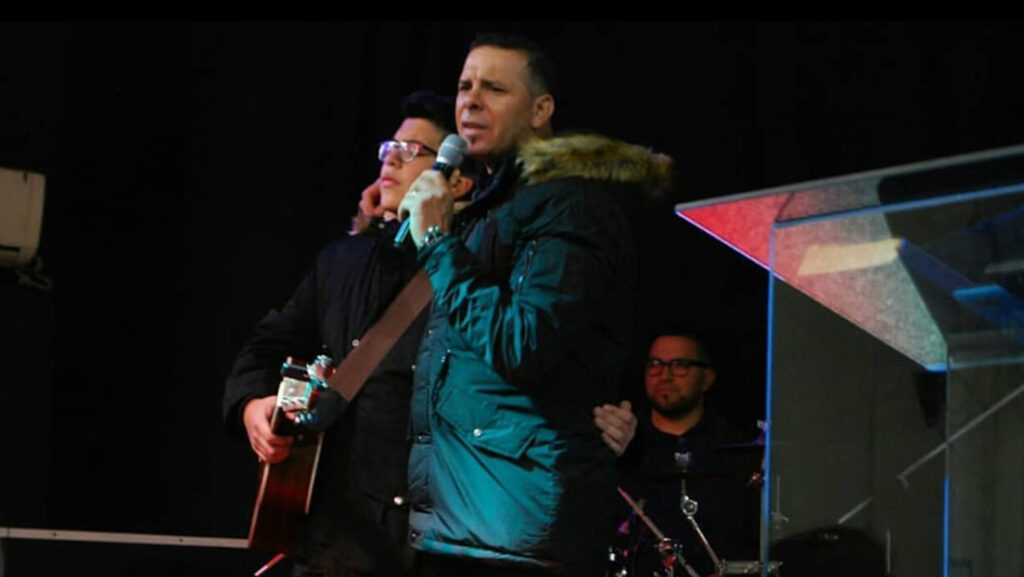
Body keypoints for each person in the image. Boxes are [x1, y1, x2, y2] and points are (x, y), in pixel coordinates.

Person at [223, 90, 637, 577]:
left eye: (413, 151)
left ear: (458, 183)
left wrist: (611, 423)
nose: (391, 160)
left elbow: (540, 358)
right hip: (340, 541)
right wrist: (251, 405)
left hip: (451, 542)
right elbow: (266, 347)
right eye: (389, 148)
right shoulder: (342, 260)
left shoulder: (488, 265)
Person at [398, 34, 671, 576]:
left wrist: (437, 243)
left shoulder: (572, 203)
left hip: (518, 531)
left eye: (494, 89)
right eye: (465, 86)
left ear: (541, 110)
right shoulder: (489, 208)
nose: (471, 101)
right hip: (465, 522)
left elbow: (523, 344)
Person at [615, 332, 762, 577]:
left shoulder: (737, 450)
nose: (664, 375)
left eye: (680, 365)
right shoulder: (626, 446)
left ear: (707, 378)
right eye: (655, 364)